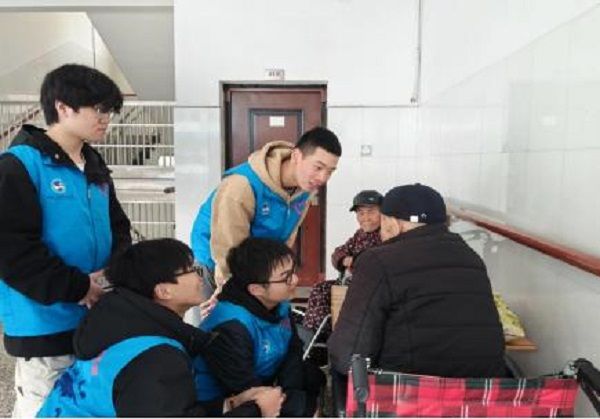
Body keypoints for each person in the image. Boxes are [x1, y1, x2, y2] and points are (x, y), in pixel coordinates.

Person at [0, 64, 132, 417]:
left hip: (94, 317)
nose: (106, 118)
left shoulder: (93, 164)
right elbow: (13, 251)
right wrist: (78, 287)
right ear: (62, 107)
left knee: (86, 405)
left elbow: (119, 229)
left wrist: (109, 276)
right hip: (44, 324)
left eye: (110, 110)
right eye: (98, 109)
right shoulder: (18, 166)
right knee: (44, 407)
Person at [37, 238, 284, 417]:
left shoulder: (126, 328)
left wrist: (230, 405)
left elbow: (168, 409)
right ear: (164, 291)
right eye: (191, 270)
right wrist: (256, 411)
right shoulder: (155, 357)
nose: (200, 277)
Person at [329, 184, 506, 378]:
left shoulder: (377, 261)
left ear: (392, 224)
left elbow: (348, 352)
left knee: (341, 370)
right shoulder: (471, 258)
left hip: (411, 388)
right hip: (480, 389)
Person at [190, 127, 341, 317]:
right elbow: (227, 246)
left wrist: (278, 276)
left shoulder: (304, 190)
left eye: (330, 171)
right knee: (218, 324)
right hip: (216, 262)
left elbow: (286, 237)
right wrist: (228, 291)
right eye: (318, 167)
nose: (323, 178)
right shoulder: (241, 185)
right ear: (296, 156)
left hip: (256, 265)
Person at [193, 237, 325, 417]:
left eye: (293, 271)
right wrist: (300, 405)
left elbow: (292, 351)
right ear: (256, 289)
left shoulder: (278, 304)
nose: (295, 280)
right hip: (226, 402)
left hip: (264, 381)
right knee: (303, 406)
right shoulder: (230, 326)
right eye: (286, 277)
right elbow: (246, 389)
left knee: (313, 377)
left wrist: (292, 391)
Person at [302, 190, 383, 335]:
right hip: (349, 284)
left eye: (371, 212)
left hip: (367, 288)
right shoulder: (360, 234)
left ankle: (323, 333)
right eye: (361, 213)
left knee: (329, 298)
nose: (365, 218)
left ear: (382, 213)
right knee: (320, 289)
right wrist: (344, 259)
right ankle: (313, 331)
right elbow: (338, 253)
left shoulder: (385, 234)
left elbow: (372, 260)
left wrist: (355, 260)